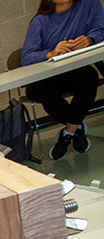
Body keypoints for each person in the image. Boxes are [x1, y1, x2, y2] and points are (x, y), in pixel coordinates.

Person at [21, 0, 104, 160]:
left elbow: (100, 29)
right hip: (50, 75)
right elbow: (27, 57)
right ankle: (76, 129)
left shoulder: (89, 4)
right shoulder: (40, 21)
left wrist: (89, 39)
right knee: (41, 92)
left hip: (77, 69)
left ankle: (68, 133)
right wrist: (50, 53)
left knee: (90, 79)